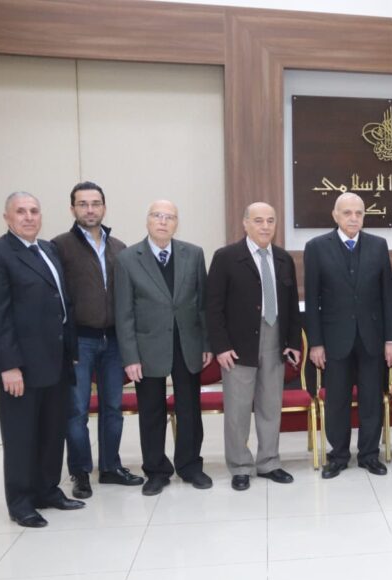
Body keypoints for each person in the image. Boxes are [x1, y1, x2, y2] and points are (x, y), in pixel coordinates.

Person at [0, 192, 83, 527]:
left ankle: (47, 490)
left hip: (56, 360)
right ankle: (21, 502)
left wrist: (71, 352)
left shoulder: (48, 250)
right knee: (22, 436)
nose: (28, 217)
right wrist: (8, 365)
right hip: (21, 366)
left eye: (34, 211)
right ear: (7, 217)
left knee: (52, 432)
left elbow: (61, 302)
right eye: (20, 211)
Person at [114, 200, 213, 495]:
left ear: (176, 223)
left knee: (189, 409)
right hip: (147, 347)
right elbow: (123, 313)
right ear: (147, 220)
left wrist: (206, 342)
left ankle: (190, 466)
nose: (163, 221)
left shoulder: (193, 254)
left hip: (187, 344)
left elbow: (203, 304)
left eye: (169, 217)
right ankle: (156, 471)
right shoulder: (127, 259)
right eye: (157, 215)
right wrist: (130, 356)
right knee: (151, 411)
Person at [51, 181, 144, 499]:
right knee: (76, 411)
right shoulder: (60, 246)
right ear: (72, 208)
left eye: (95, 203)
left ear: (104, 207)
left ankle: (110, 467)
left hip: (114, 341)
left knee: (112, 407)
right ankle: (80, 472)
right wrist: (65, 342)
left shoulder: (119, 247)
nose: (90, 209)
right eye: (83, 204)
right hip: (80, 341)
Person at [207, 202, 301, 490]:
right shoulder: (226, 257)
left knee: (271, 405)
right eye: (258, 220)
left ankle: (269, 462)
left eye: (270, 220)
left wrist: (293, 342)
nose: (265, 226)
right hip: (238, 345)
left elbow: (291, 306)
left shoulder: (283, 258)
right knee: (237, 409)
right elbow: (213, 306)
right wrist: (221, 346)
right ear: (245, 223)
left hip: (275, 340)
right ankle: (240, 466)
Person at [304, 192, 392, 479]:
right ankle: (339, 456)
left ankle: (369, 455)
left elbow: (387, 296)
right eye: (347, 213)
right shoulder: (316, 247)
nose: (353, 218)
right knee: (337, 401)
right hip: (334, 339)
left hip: (372, 337)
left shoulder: (378, 245)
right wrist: (316, 343)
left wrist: (391, 339)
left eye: (359, 213)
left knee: (371, 399)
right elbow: (312, 300)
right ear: (335, 215)